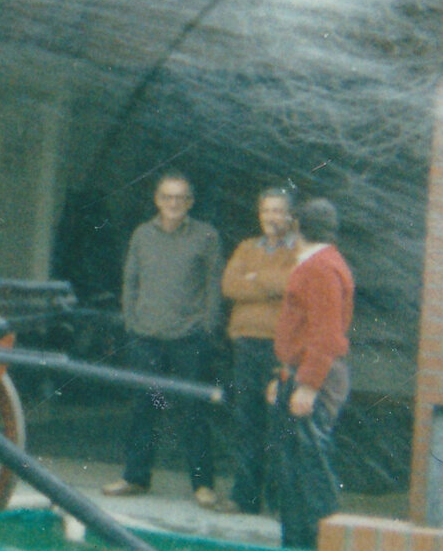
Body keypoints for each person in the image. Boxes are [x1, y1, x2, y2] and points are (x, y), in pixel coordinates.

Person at [102, 172, 223, 507]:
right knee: (145, 408)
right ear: (157, 200)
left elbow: (213, 286)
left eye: (180, 198)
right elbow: (131, 280)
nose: (173, 204)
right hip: (146, 338)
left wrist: (207, 327)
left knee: (192, 411)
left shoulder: (206, 236)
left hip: (188, 339)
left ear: (190, 202)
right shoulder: (143, 235)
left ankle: (203, 485)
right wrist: (132, 320)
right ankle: (135, 477)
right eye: (167, 197)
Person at [267, 197, 354, 550]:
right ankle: (301, 547)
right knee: (296, 467)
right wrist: (284, 374)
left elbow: (325, 334)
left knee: (310, 469)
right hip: (300, 373)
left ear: (297, 227)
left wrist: (307, 385)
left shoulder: (319, 268)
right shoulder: (323, 263)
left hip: (312, 377)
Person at [220, 186, 300, 515]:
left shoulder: (298, 252)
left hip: (280, 347)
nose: (271, 218)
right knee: (246, 422)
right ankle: (245, 497)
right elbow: (229, 286)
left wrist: (255, 279)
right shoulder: (245, 247)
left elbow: (292, 283)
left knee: (280, 423)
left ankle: (280, 499)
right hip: (245, 345)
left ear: (291, 216)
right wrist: (270, 284)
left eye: (278, 211)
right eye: (266, 211)